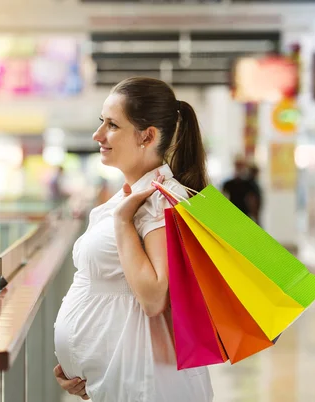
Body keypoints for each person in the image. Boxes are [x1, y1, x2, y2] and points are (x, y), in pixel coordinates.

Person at [53, 77, 213, 402]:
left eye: (112, 125)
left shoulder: (159, 200)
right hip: (123, 374)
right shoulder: (135, 194)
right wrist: (82, 363)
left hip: (148, 383)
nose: (98, 135)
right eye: (102, 122)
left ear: (147, 135)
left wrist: (123, 222)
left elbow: (154, 296)